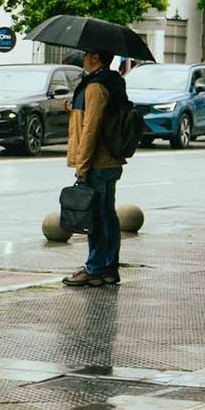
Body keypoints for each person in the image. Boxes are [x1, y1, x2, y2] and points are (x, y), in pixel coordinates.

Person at [62, 48, 128, 288]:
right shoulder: (109, 82)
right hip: (108, 160)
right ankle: (108, 267)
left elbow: (91, 129)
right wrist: (72, 108)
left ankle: (95, 268)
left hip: (97, 162)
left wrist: (82, 166)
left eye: (86, 53)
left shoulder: (95, 87)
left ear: (96, 57)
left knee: (97, 218)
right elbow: (94, 117)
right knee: (106, 215)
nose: (83, 57)